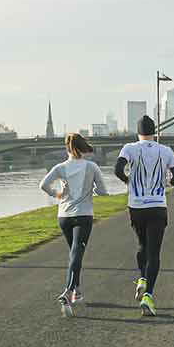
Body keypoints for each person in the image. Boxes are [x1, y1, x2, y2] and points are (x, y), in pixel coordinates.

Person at [113, 116, 174, 316]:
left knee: (142, 246)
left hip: (136, 207)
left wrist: (128, 182)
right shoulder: (166, 151)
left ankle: (142, 278)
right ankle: (148, 296)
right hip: (157, 206)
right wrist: (165, 184)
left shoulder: (129, 148)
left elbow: (117, 169)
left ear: (138, 132)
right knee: (154, 253)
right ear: (155, 132)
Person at [39, 133, 108, 317]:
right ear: (83, 148)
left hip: (64, 216)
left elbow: (43, 185)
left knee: (74, 254)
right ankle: (68, 291)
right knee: (77, 252)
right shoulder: (91, 167)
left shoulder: (60, 168)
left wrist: (57, 194)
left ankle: (76, 291)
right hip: (83, 215)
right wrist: (93, 189)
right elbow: (102, 191)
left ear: (67, 148)